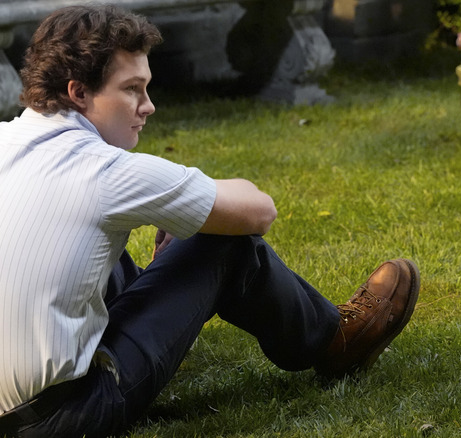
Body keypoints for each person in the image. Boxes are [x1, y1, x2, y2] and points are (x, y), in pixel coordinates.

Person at [0, 5, 420, 437]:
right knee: (218, 243)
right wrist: (197, 216)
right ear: (79, 92)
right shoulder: (104, 171)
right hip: (63, 417)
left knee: (92, 241)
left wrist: (181, 207)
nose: (149, 106)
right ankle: (333, 340)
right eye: (132, 89)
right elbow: (259, 211)